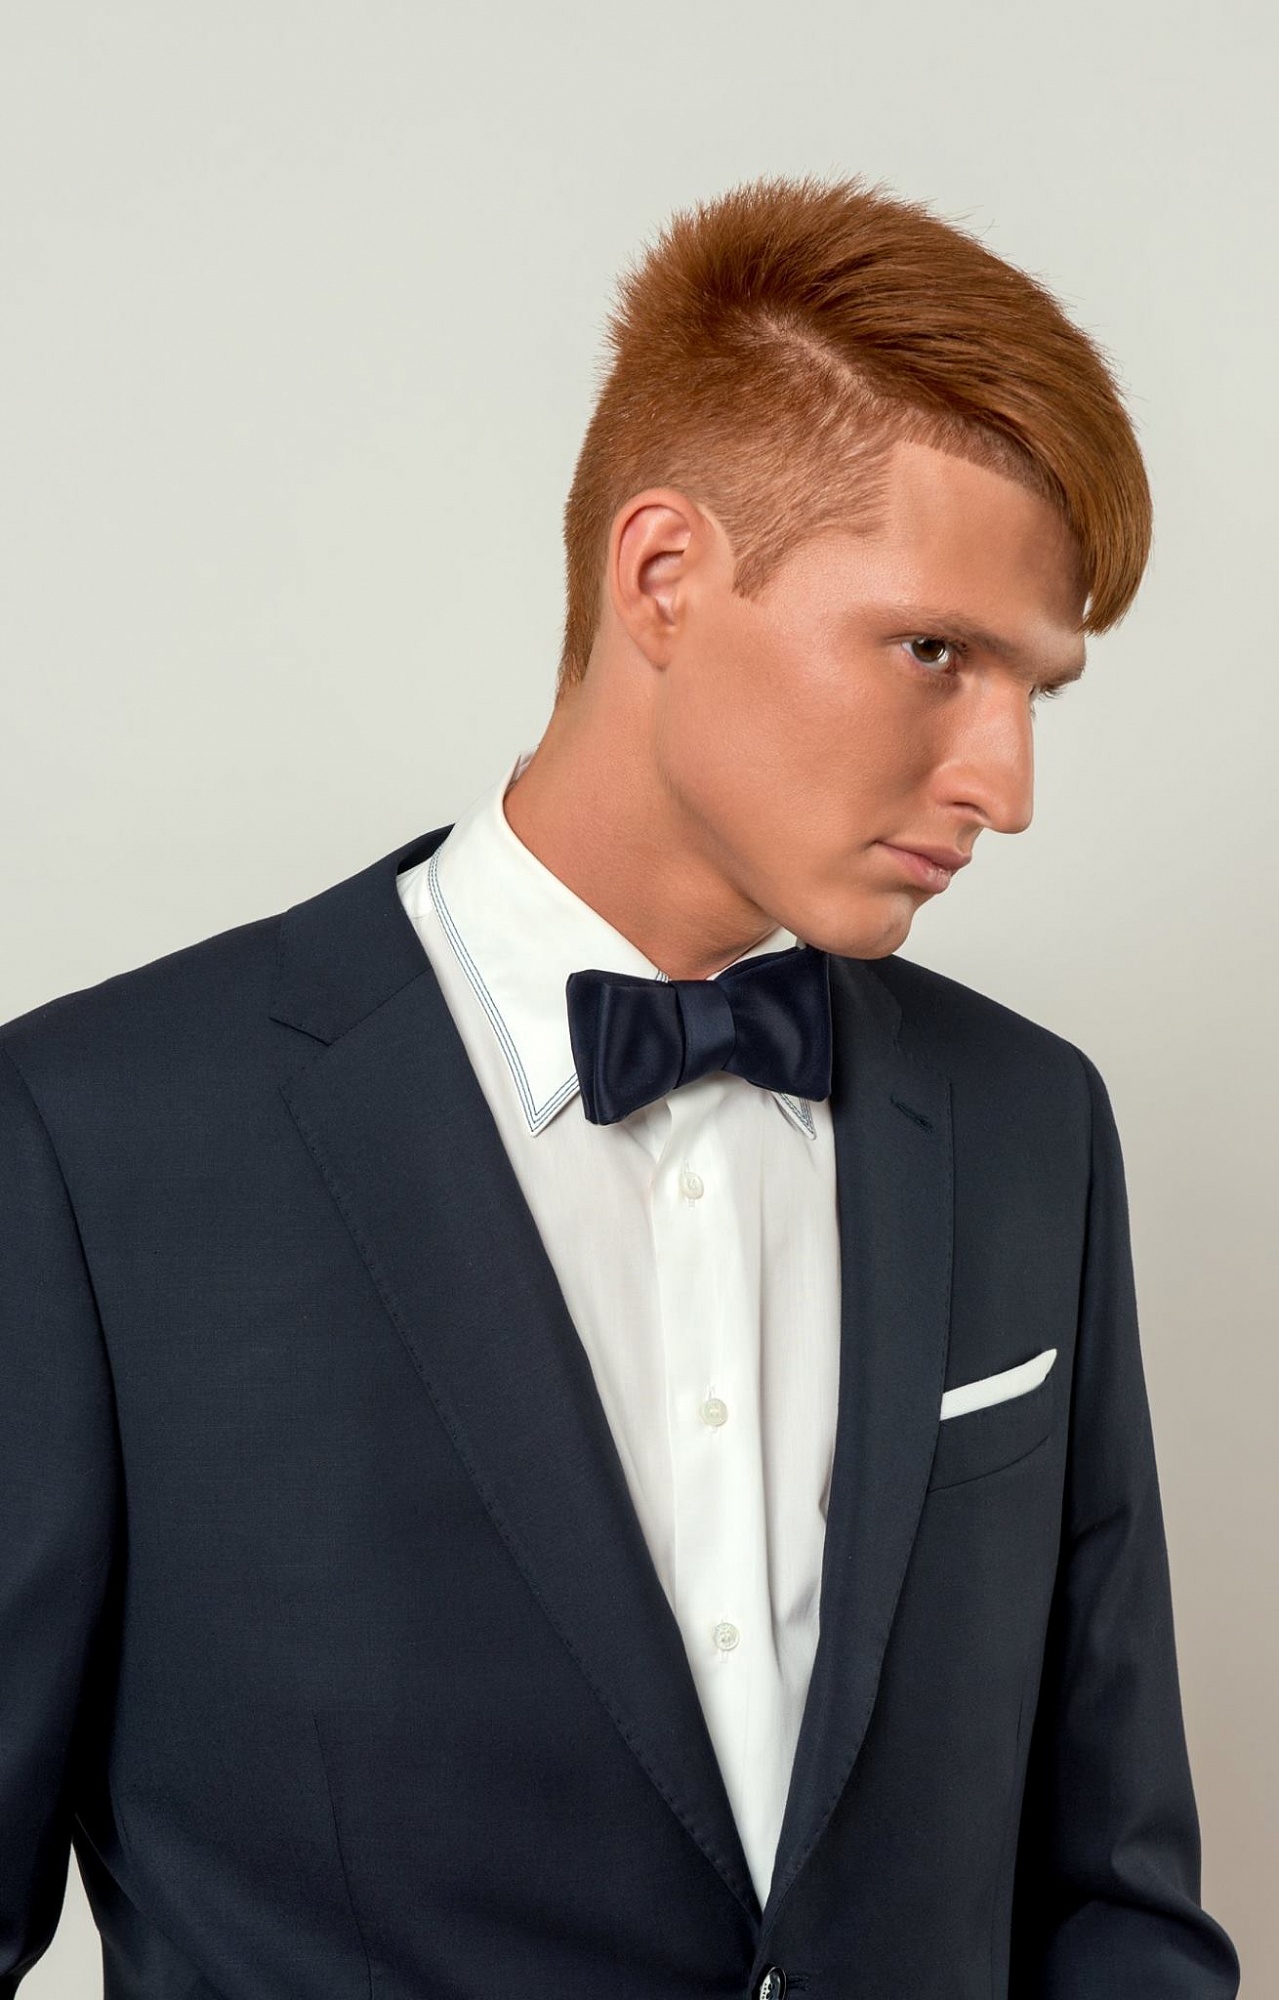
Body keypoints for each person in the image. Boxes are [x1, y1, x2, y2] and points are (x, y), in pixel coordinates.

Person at [0, 174, 1241, 1999]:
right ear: (663, 576)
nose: (1006, 782)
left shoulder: (1028, 1126)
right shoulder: (93, 1143)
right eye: (935, 653)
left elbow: (1113, 1899)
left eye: (1034, 689)